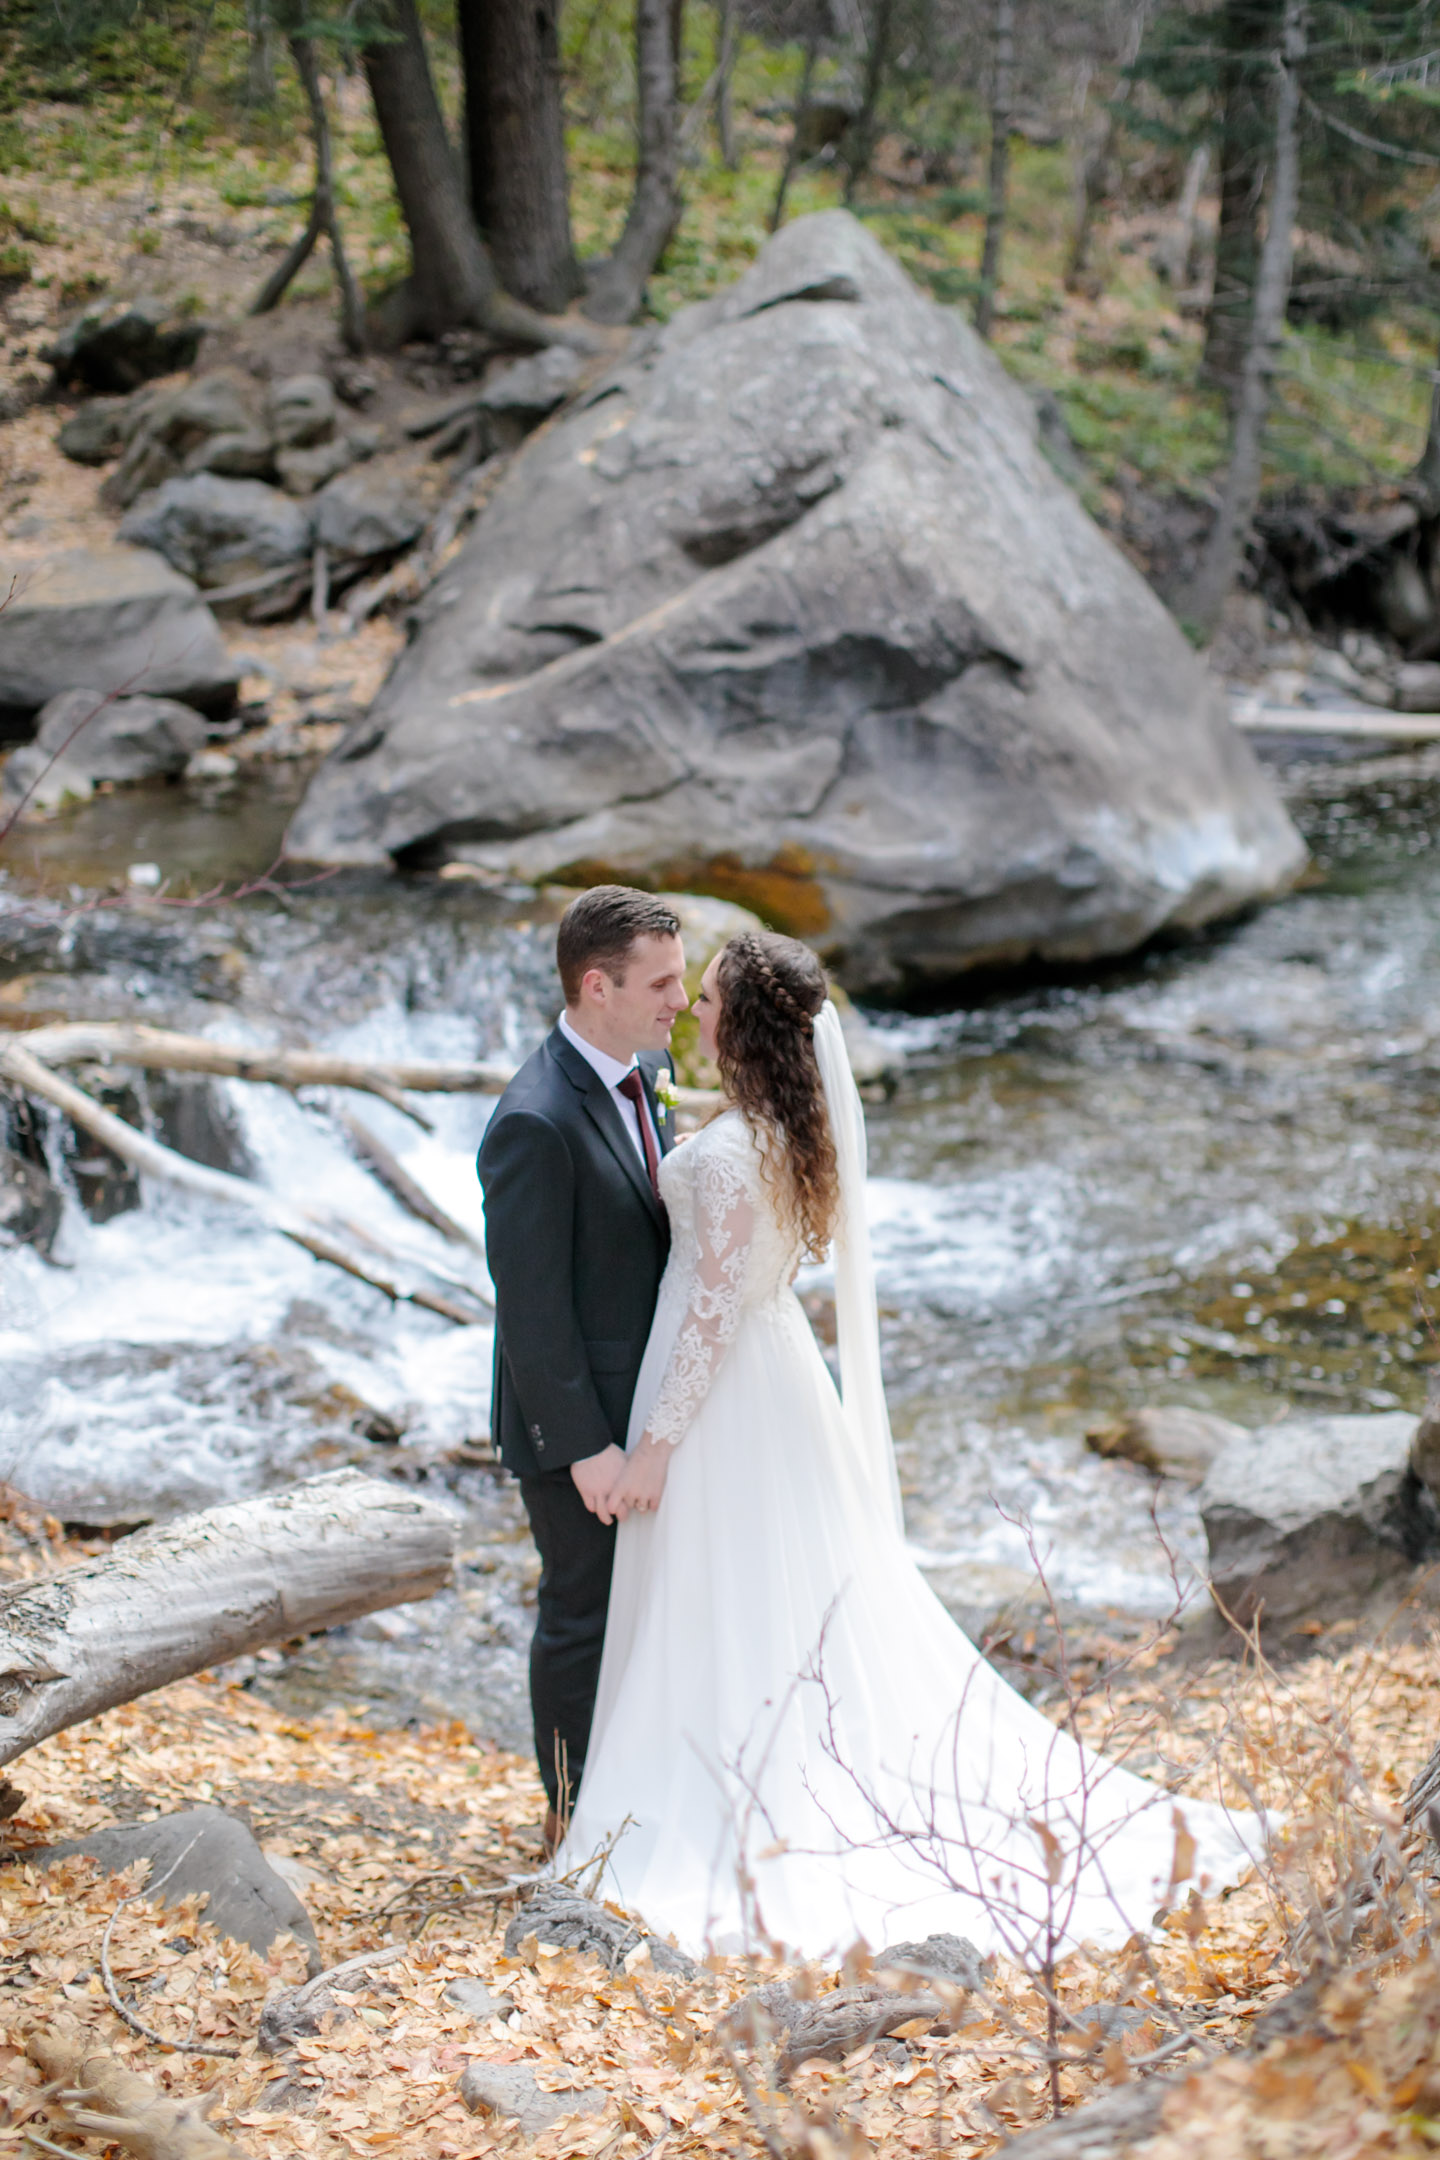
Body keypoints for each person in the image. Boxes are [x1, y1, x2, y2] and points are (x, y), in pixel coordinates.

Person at [557, 929, 1268, 1961]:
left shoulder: (732, 1148)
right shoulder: (781, 1128)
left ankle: (730, 1806)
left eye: (707, 999)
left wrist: (657, 1444)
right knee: (779, 1599)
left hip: (721, 1397)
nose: (693, 1014)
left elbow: (710, 1304)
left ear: (743, 1026)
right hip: (781, 1376)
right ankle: (756, 1772)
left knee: (725, 1597)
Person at [477, 886, 687, 1854]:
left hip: (638, 1416)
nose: (679, 1000)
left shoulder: (651, 1070)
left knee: (647, 1613)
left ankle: (631, 1793)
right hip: (576, 1431)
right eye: (662, 982)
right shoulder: (534, 1121)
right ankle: (564, 1820)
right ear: (596, 985)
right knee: (580, 1615)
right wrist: (587, 1450)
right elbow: (531, 1314)